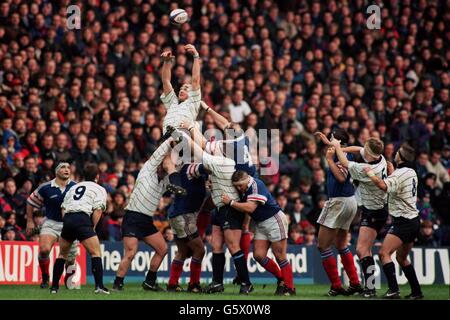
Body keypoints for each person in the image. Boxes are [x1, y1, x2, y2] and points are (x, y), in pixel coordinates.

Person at [176, 131, 253, 294]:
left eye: (220, 146)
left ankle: (246, 282)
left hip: (230, 209)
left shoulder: (222, 162)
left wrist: (183, 135)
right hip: (220, 208)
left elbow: (198, 151)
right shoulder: (225, 162)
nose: (215, 148)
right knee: (216, 245)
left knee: (233, 246)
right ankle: (217, 282)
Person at [112, 137, 184, 291]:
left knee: (162, 249)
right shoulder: (147, 170)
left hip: (146, 220)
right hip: (132, 216)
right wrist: (172, 139)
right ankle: (117, 284)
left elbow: (178, 169)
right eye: (165, 162)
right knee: (131, 252)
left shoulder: (165, 182)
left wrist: (185, 151)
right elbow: (158, 155)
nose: (167, 163)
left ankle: (149, 282)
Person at [363, 143, 424, 299]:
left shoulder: (400, 173)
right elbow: (397, 185)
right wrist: (392, 173)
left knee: (384, 253)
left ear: (401, 157)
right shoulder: (411, 172)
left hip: (403, 221)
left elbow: (383, 186)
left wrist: (370, 173)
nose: (395, 153)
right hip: (414, 220)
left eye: (398, 152)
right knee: (402, 258)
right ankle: (417, 292)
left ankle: (393, 290)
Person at [330, 137, 388, 298]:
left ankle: (371, 288)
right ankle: (370, 288)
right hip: (376, 209)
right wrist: (341, 149)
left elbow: (344, 162)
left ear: (369, 153)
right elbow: (358, 149)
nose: (362, 149)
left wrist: (336, 147)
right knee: (365, 250)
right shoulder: (380, 158)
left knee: (362, 250)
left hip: (374, 211)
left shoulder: (365, 168)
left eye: (365, 149)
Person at [222, 170, 296, 296]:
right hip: (260, 222)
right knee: (258, 255)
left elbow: (250, 207)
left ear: (247, 180)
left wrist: (231, 202)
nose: (239, 188)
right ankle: (281, 279)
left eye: (240, 185)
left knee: (280, 255)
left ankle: (289, 288)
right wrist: (246, 223)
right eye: (237, 186)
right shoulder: (245, 188)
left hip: (274, 220)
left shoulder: (256, 185)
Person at [314, 130, 362, 296]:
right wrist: (329, 144)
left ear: (340, 141)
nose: (330, 140)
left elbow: (341, 177)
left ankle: (336, 285)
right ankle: (355, 283)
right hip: (349, 200)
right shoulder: (344, 152)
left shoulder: (341, 156)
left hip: (338, 201)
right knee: (341, 244)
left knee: (322, 245)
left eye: (332, 137)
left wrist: (328, 160)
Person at [50, 163, 109, 294]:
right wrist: (91, 227)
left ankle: (54, 288)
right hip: (82, 218)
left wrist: (67, 222)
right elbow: (98, 210)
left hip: (69, 219)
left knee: (62, 254)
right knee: (95, 253)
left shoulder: (73, 187)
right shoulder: (99, 189)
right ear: (97, 176)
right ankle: (99, 286)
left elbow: (63, 208)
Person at [25, 162, 77, 288]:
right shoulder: (45, 187)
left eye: (68, 168)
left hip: (70, 224)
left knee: (70, 258)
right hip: (51, 223)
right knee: (44, 250)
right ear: (56, 171)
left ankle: (69, 281)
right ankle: (45, 277)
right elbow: (31, 202)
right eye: (63, 167)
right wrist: (30, 221)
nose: (66, 170)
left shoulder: (76, 187)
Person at [166, 162, 207, 293]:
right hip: (184, 215)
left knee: (182, 251)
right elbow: (206, 166)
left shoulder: (188, 169)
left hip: (179, 213)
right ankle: (194, 284)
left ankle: (172, 284)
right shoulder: (190, 168)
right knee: (199, 250)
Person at [160, 44, 202, 136]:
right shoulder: (172, 102)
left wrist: (195, 56)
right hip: (166, 138)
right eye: (181, 88)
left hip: (183, 137)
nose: (182, 90)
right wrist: (167, 62)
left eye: (186, 88)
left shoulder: (193, 101)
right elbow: (166, 81)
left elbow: (195, 79)